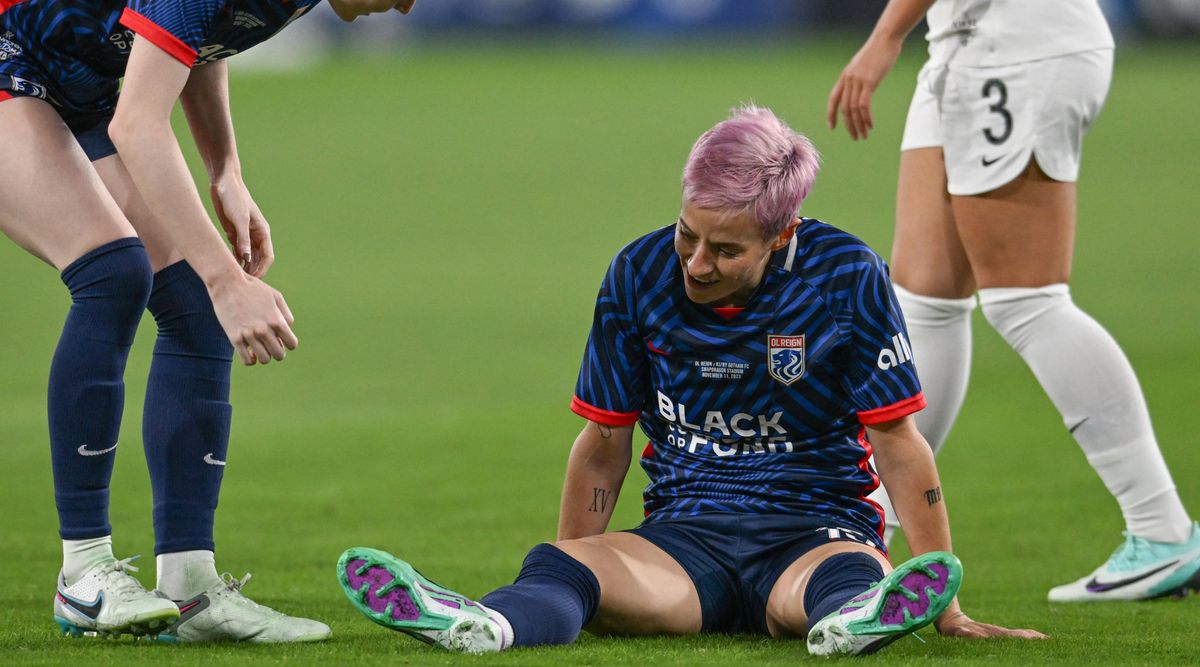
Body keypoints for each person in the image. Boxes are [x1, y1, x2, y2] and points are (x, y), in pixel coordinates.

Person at [336, 106, 1043, 656]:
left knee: (846, 577)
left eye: (726, 249)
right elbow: (602, 441)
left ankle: (855, 619)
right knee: (555, 568)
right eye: (688, 234)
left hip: (811, 532)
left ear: (782, 234)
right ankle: (483, 623)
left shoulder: (844, 275)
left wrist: (948, 606)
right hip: (679, 543)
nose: (696, 264)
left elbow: (897, 440)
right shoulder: (638, 274)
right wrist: (578, 563)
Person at [0, 0, 415, 642]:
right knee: (113, 274)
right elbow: (138, 124)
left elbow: (196, 41)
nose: (412, 4)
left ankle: (190, 591)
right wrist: (228, 280)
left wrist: (226, 170)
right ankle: (81, 576)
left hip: (79, 79)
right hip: (13, 56)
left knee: (193, 305)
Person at [827, 0, 1200, 602]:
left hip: (1020, 46)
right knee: (925, 302)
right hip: (966, 45)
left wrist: (885, 35)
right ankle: (869, 534)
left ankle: (1161, 529)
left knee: (1028, 300)